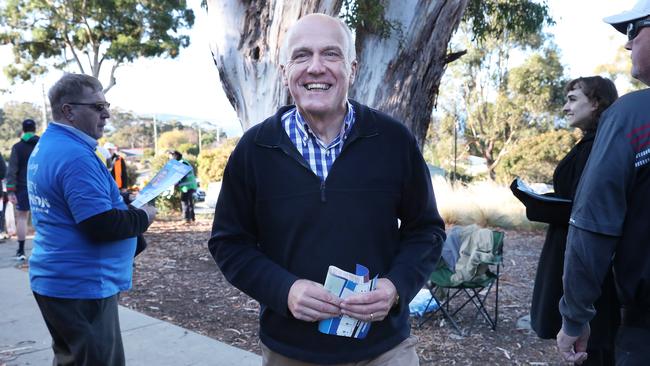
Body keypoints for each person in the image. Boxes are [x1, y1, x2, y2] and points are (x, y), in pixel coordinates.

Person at [208, 13, 446, 365]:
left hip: (384, 350)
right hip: (290, 352)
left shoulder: (393, 141)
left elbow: (425, 230)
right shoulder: (255, 149)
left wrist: (395, 287)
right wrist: (285, 290)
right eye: (302, 56)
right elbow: (229, 243)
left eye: (330, 54)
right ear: (285, 69)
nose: (316, 67)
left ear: (352, 68)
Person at [28, 73, 157, 366]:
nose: (106, 114)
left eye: (106, 105)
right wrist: (143, 216)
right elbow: (100, 225)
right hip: (82, 287)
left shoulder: (50, 145)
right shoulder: (74, 156)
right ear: (68, 111)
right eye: (97, 107)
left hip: (59, 281)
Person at [557, 1, 650, 364]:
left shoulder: (633, 118)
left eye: (634, 30)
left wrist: (574, 317)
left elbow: (593, 226)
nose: (627, 45)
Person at [521, 77, 619, 365]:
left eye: (573, 98)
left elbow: (588, 209)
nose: (566, 107)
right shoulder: (591, 143)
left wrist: (537, 205)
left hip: (586, 255)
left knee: (593, 344)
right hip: (573, 247)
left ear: (596, 102)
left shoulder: (598, 147)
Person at [7, 118, 39, 260]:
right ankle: (43, 250)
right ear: (35, 129)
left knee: (22, 218)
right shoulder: (42, 144)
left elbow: (12, 170)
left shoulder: (17, 147)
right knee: (44, 217)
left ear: (23, 130)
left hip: (23, 187)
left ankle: (20, 252)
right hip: (41, 186)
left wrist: (11, 191)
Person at [169, 150, 197, 223]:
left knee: (184, 202)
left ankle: (186, 219)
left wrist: (176, 182)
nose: (170, 158)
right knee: (190, 202)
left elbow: (182, 175)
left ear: (175, 156)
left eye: (171, 156)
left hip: (187, 187)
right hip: (190, 185)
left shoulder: (182, 163)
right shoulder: (184, 162)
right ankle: (192, 218)